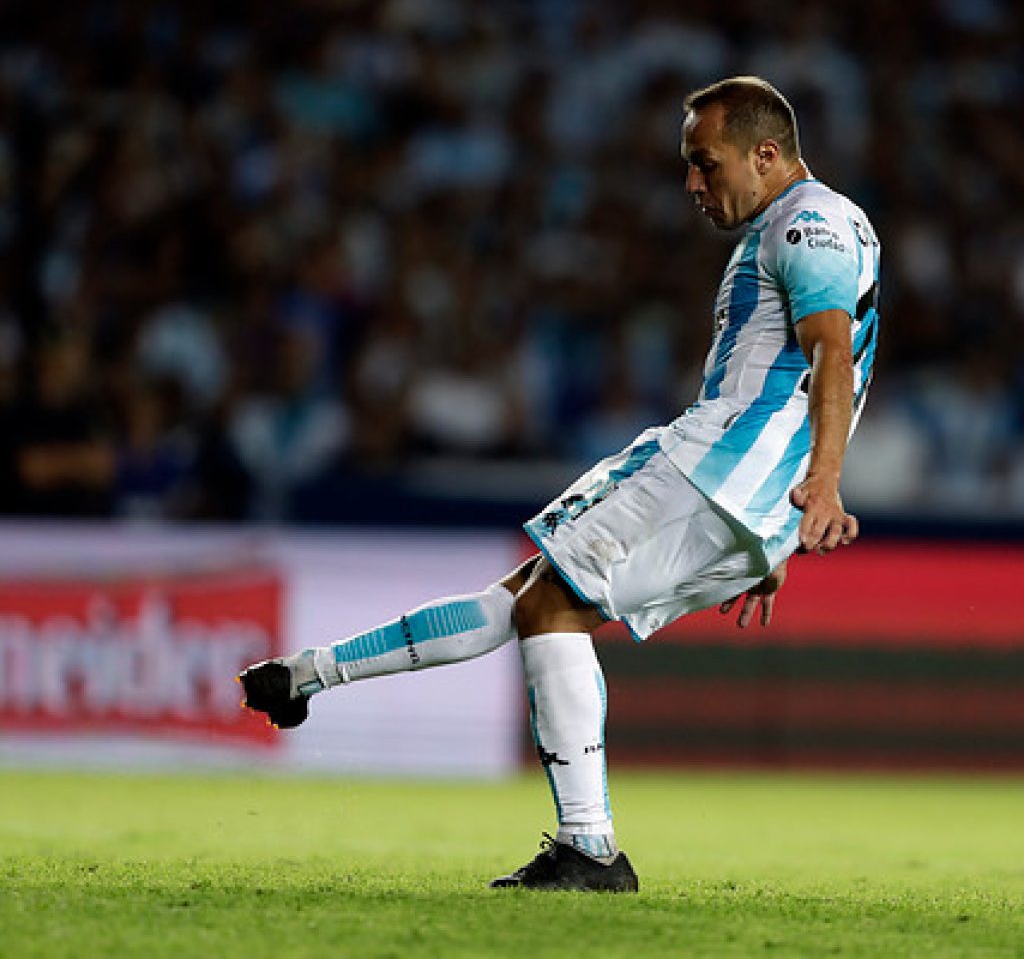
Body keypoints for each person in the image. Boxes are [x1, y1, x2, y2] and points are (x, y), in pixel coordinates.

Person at [238, 76, 880, 893]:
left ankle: (589, 848)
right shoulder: (818, 226)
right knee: (528, 597)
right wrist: (775, 527)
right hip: (742, 491)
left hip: (714, 468)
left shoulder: (809, 223)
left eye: (704, 163)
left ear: (766, 153)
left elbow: (831, 353)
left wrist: (817, 486)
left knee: (545, 605)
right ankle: (305, 676)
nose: (691, 183)